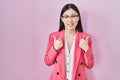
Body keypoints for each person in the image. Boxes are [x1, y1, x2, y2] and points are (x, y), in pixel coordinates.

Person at [44, 3, 94, 80]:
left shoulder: (85, 38)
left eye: (73, 16)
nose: (70, 20)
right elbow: (48, 62)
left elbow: (90, 65)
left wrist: (86, 49)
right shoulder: (54, 37)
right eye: (66, 16)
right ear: (62, 19)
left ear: (78, 18)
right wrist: (55, 48)